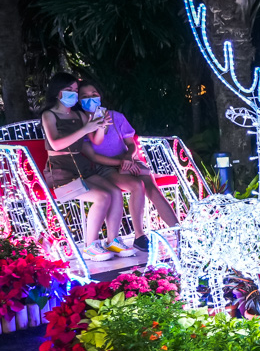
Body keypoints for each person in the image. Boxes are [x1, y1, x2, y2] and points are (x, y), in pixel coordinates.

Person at [38, 73, 135, 261]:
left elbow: (96, 140)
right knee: (102, 197)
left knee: (115, 192)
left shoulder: (79, 115)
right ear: (57, 92)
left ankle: (112, 240)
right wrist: (85, 129)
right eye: (69, 90)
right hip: (60, 170)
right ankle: (90, 246)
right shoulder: (48, 115)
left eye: (75, 91)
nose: (73, 94)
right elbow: (56, 144)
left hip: (81, 166)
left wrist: (100, 124)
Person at [77, 80, 180, 250]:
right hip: (105, 167)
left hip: (127, 160)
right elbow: (93, 157)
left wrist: (127, 158)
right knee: (137, 185)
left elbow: (131, 144)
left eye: (94, 94)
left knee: (151, 187)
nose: (91, 99)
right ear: (79, 101)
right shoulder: (82, 124)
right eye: (85, 97)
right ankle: (139, 235)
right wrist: (121, 163)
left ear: (100, 96)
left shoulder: (116, 117)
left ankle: (179, 232)